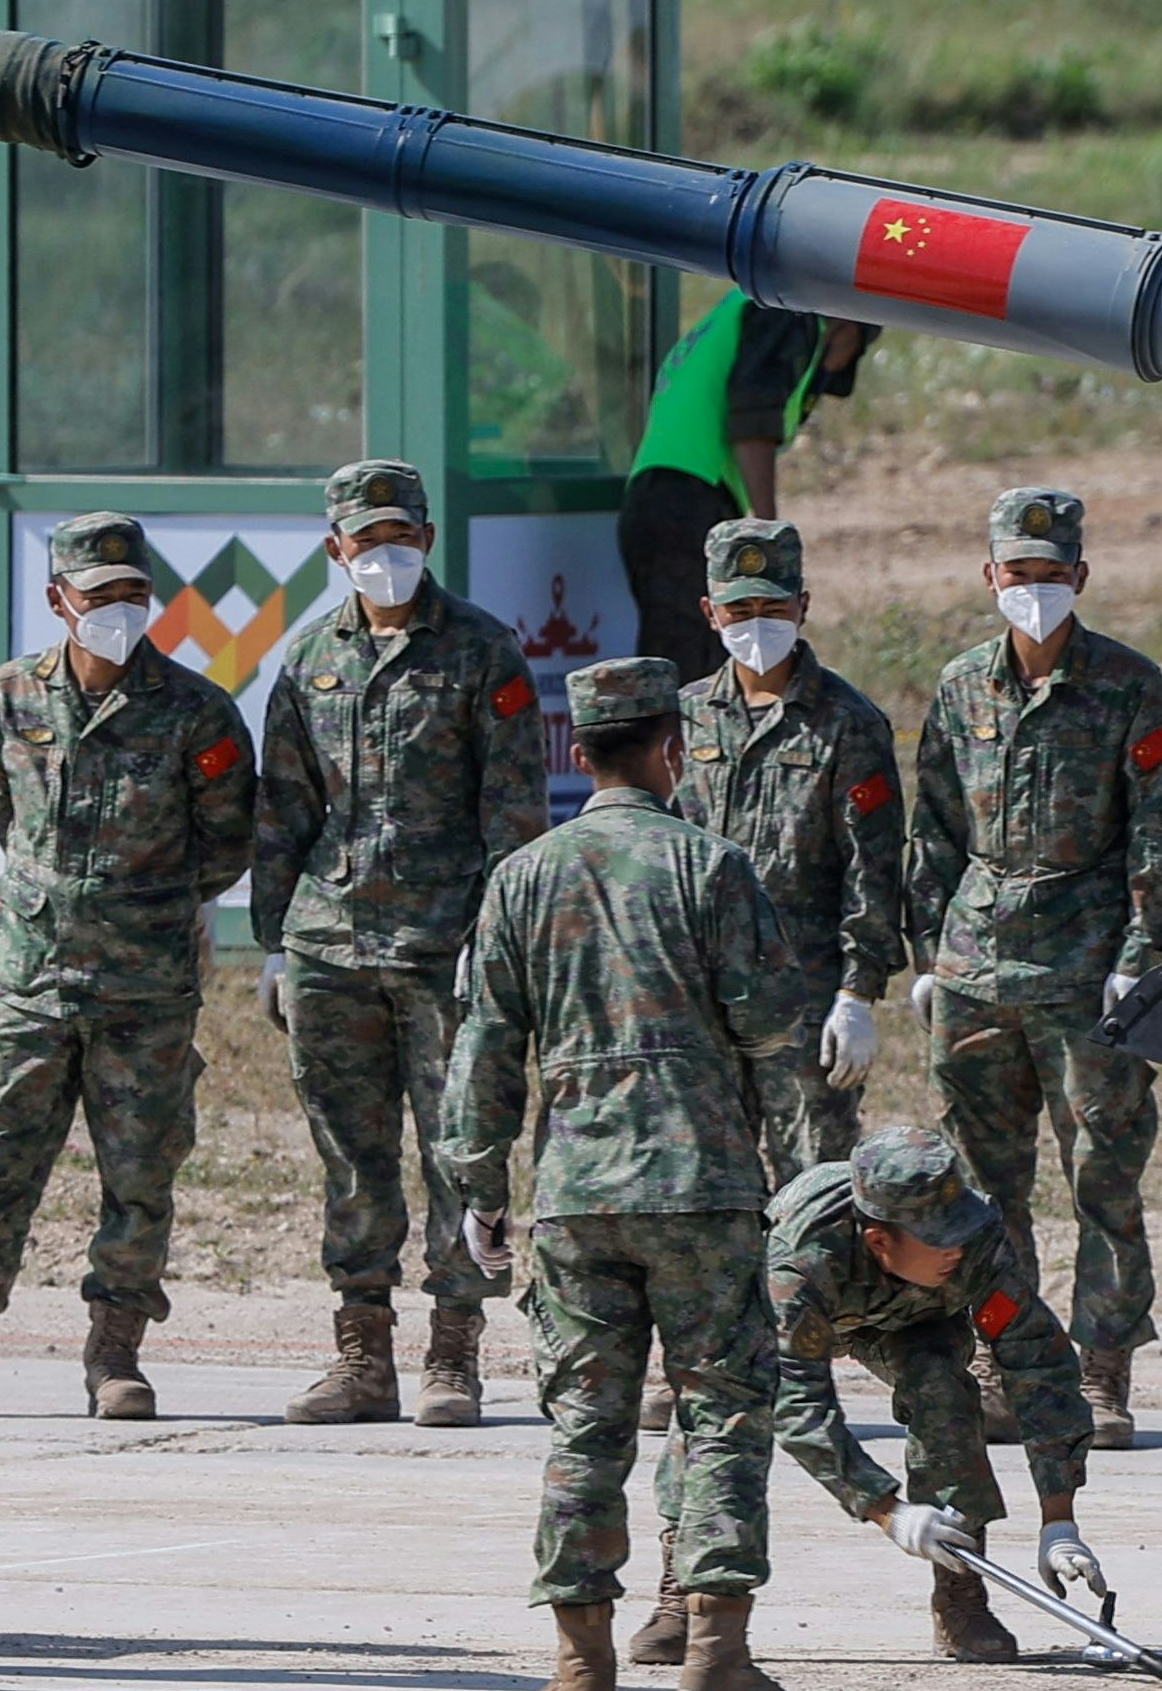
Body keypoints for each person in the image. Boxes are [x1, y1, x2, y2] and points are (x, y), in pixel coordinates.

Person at [436, 656, 803, 1691]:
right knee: (723, 1410)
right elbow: (773, 1023)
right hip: (700, 1187)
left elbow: (485, 1045)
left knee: (586, 1427)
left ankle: (580, 1660)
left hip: (576, 1194)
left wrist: (479, 1185)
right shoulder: (712, 866)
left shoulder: (523, 876)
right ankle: (716, 1651)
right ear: (671, 749)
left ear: (576, 752)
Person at [0, 512, 254, 1422]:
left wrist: (135, 906)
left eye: (134, 594)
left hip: (144, 989)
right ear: (57, 600)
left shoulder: (196, 711)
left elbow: (226, 844)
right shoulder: (9, 697)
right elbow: (2, 807)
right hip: (29, 980)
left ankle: (116, 1356)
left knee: (140, 1175)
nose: (119, 609)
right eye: (101, 594)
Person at [257, 459, 549, 1431]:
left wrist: (497, 941)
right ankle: (362, 1356)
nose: (386, 556)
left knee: (461, 1152)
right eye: (366, 541)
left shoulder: (483, 654)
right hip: (329, 947)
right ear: (336, 548)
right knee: (353, 1158)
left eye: (401, 538)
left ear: (427, 540)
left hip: (444, 948)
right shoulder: (306, 663)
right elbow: (285, 813)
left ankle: (454, 1354)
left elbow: (514, 814)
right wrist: (272, 946)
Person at [905, 488, 1162, 1453]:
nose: (1032, 591)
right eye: (1016, 574)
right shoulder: (960, 689)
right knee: (984, 1186)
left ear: (1080, 576)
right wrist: (926, 958)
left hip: (1084, 968)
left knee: (1103, 1172)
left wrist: (1142, 955)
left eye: (1050, 574)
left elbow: (1160, 832)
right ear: (991, 577)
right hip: (978, 965)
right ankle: (1006, 1362)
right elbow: (936, 830)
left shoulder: (1128, 686)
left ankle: (1104, 1364)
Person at [629, 1128, 1104, 1667]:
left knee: (944, 1388)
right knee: (715, 1403)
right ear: (880, 1240)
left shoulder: (975, 1243)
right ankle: (682, 1592)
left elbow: (1039, 1362)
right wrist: (888, 1511)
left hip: (913, 1317)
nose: (956, 1248)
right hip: (803, 1312)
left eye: (958, 1229)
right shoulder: (799, 1261)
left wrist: (1059, 1522)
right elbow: (799, 1405)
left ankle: (961, 1596)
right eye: (937, 1236)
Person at [674, 518, 907, 1183]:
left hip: (804, 996)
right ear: (709, 611)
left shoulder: (848, 722)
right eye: (740, 609)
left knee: (816, 1182)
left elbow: (875, 867)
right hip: (704, 990)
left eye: (773, 607)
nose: (757, 623)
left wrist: (858, 994)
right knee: (711, 1181)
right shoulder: (685, 717)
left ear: (803, 604)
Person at [621, 292, 873, 679]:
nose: (836, 367)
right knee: (688, 667)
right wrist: (767, 533)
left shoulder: (747, 303)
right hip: (689, 501)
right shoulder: (784, 306)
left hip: (659, 500)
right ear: (846, 328)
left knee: (680, 655)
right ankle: (671, 741)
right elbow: (752, 422)